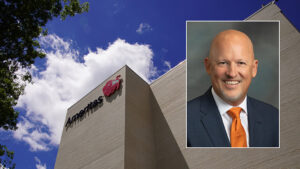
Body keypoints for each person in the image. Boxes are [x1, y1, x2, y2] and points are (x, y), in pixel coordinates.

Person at [187, 29, 279, 147]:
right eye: (223, 63)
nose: (232, 73)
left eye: (241, 63)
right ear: (208, 66)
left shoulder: (274, 118)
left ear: (254, 68)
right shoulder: (185, 119)